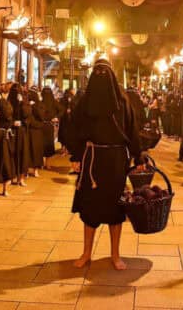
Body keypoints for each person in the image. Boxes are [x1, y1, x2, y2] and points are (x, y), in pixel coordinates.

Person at [67, 59, 142, 270]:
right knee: (89, 209)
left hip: (116, 160)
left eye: (104, 72)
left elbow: (132, 130)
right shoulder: (84, 102)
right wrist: (75, 156)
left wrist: (139, 156)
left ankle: (115, 254)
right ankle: (86, 253)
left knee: (115, 209)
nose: (100, 76)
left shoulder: (122, 102)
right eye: (97, 72)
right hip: (92, 159)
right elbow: (74, 130)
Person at [23, 86, 45, 177]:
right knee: (28, 151)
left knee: (36, 151)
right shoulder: (26, 103)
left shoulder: (40, 104)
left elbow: (41, 116)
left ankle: (36, 169)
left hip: (37, 131)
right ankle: (27, 170)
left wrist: (34, 106)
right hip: (28, 129)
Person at [41, 86, 62, 168]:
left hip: (48, 125)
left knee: (48, 145)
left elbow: (61, 110)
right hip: (44, 125)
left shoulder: (53, 102)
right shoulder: (43, 101)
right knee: (44, 145)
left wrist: (56, 117)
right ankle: (45, 163)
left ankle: (47, 163)